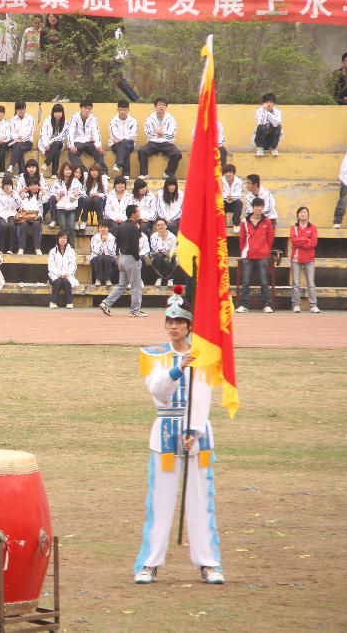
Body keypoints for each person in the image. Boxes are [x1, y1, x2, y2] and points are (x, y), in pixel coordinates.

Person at [134, 292, 224, 586]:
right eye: (169, 321)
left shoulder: (204, 355)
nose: (173, 326)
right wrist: (179, 367)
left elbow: (203, 393)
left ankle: (208, 563)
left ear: (189, 326)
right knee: (159, 502)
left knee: (201, 501)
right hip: (165, 434)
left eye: (179, 322)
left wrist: (194, 430)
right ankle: (150, 563)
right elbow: (157, 390)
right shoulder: (154, 356)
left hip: (196, 436)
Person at [100, 204, 145, 317]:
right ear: (133, 214)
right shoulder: (134, 227)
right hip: (131, 258)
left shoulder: (122, 226)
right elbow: (135, 245)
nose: (139, 214)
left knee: (122, 285)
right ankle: (135, 310)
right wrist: (137, 258)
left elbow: (117, 242)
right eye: (137, 212)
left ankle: (106, 303)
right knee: (136, 286)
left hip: (122, 257)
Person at [236, 197, 275, 313]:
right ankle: (244, 305)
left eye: (261, 206)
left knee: (264, 281)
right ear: (252, 208)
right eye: (257, 206)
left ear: (263, 208)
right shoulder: (244, 221)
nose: (259, 208)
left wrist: (266, 250)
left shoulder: (267, 221)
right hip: (248, 255)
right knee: (245, 281)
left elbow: (270, 238)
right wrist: (244, 251)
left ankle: (266, 305)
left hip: (262, 256)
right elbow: (242, 238)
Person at [137, 99, 182, 179]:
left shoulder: (171, 119)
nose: (161, 106)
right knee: (142, 151)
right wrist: (161, 134)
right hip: (153, 143)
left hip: (167, 143)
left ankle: (168, 173)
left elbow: (172, 134)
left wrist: (161, 134)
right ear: (155, 107)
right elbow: (149, 133)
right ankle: (144, 174)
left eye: (163, 105)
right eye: (159, 105)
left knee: (177, 154)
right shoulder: (150, 118)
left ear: (166, 107)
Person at [288, 206, 320, 314]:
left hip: (309, 258)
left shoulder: (313, 228)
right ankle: (296, 305)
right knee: (295, 284)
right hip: (296, 258)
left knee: (311, 284)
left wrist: (301, 241)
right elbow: (293, 241)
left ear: (308, 215)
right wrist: (306, 239)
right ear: (297, 215)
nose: (303, 214)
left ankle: (313, 305)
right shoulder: (293, 227)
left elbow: (313, 243)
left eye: (305, 212)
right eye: (301, 212)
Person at [67, 100, 106, 173]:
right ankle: (84, 172)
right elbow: (70, 132)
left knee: (100, 152)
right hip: (77, 142)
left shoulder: (93, 118)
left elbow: (96, 132)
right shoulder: (74, 117)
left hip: (89, 142)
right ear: (81, 108)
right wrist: (71, 145)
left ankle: (102, 173)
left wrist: (98, 145)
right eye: (85, 108)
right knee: (71, 153)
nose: (87, 110)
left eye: (89, 109)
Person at [48, 230, 77, 309]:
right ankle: (53, 302)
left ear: (67, 240)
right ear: (57, 239)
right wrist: (57, 273)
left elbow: (73, 265)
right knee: (58, 281)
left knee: (66, 281)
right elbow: (51, 266)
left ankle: (69, 302)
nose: (63, 240)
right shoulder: (53, 251)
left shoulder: (71, 251)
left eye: (65, 238)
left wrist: (68, 273)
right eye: (61, 238)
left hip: (67, 275)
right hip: (54, 275)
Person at [15, 177, 45, 255]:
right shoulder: (25, 195)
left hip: (36, 217)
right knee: (23, 224)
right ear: (28, 187)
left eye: (35, 185)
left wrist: (42, 189)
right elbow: (16, 197)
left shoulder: (40, 195)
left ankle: (37, 248)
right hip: (25, 216)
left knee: (36, 224)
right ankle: (21, 248)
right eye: (31, 185)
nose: (33, 187)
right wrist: (21, 190)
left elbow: (47, 198)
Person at [5, 101, 34, 178]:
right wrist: (16, 139)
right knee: (18, 146)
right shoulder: (12, 120)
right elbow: (11, 133)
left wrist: (22, 139)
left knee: (18, 146)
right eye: (19, 109)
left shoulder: (30, 119)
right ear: (16, 110)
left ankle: (11, 165)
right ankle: (22, 173)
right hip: (16, 142)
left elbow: (30, 132)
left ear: (25, 109)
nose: (21, 111)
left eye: (23, 109)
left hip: (27, 142)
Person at [109, 100, 137, 179]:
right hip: (115, 144)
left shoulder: (133, 121)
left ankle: (118, 164)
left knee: (125, 144)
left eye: (124, 110)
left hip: (129, 143)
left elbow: (133, 134)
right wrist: (122, 140)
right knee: (126, 149)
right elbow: (113, 133)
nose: (122, 112)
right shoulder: (113, 121)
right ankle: (126, 174)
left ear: (128, 110)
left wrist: (123, 140)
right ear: (117, 110)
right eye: (121, 110)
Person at [0, 177, 21, 254]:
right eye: (6, 185)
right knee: (3, 226)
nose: (8, 187)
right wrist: (3, 218)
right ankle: (1, 248)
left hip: (12, 214)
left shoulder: (15, 193)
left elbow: (18, 206)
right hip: (0, 214)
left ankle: (11, 248)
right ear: (3, 185)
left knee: (12, 226)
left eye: (9, 185)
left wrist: (13, 196)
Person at [149, 217, 178, 286]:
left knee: (166, 259)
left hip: (170, 254)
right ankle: (159, 278)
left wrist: (163, 250)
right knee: (159, 256)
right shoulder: (153, 236)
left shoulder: (172, 237)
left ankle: (170, 279)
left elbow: (173, 249)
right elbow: (155, 248)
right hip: (157, 254)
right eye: (158, 225)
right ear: (156, 227)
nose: (160, 226)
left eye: (162, 224)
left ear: (166, 226)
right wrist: (160, 239)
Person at [40, 103, 67, 176]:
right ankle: (54, 174)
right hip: (46, 144)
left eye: (59, 112)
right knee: (57, 151)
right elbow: (43, 133)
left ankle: (46, 163)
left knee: (56, 143)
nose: (57, 114)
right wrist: (46, 144)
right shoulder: (47, 120)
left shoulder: (65, 123)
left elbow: (61, 136)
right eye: (56, 112)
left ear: (62, 113)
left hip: (59, 143)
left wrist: (50, 142)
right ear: (53, 113)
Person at [79, 164, 108, 231]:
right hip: (88, 201)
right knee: (87, 200)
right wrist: (89, 194)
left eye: (96, 171)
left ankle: (100, 222)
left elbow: (106, 193)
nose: (94, 172)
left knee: (96, 200)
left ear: (99, 172)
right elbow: (83, 190)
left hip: (100, 201)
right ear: (90, 172)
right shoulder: (87, 179)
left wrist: (98, 194)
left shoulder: (103, 179)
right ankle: (84, 220)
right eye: (92, 171)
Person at [253, 93, 283, 157]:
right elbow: (261, 122)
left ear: (274, 103)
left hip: (272, 139)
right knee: (261, 126)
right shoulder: (259, 111)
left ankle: (273, 148)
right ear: (263, 103)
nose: (269, 104)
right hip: (261, 139)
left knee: (278, 126)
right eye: (267, 102)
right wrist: (265, 111)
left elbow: (276, 123)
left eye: (271, 102)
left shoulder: (278, 111)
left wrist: (267, 113)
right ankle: (260, 149)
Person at [89, 222, 117, 286]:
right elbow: (96, 252)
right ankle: (98, 279)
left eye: (105, 227)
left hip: (109, 259)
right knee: (100, 258)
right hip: (95, 259)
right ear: (98, 228)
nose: (103, 229)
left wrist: (106, 243)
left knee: (107, 258)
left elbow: (112, 253)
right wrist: (102, 242)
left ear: (108, 229)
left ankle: (108, 279)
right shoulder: (94, 238)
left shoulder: (112, 238)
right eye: (101, 227)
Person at [221, 164, 244, 233]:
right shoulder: (220, 180)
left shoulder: (239, 182)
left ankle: (236, 224)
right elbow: (219, 193)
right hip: (224, 201)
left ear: (233, 173)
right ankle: (222, 224)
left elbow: (239, 194)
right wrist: (227, 197)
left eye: (230, 172)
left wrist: (232, 197)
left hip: (234, 202)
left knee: (239, 203)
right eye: (226, 172)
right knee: (219, 203)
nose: (228, 174)